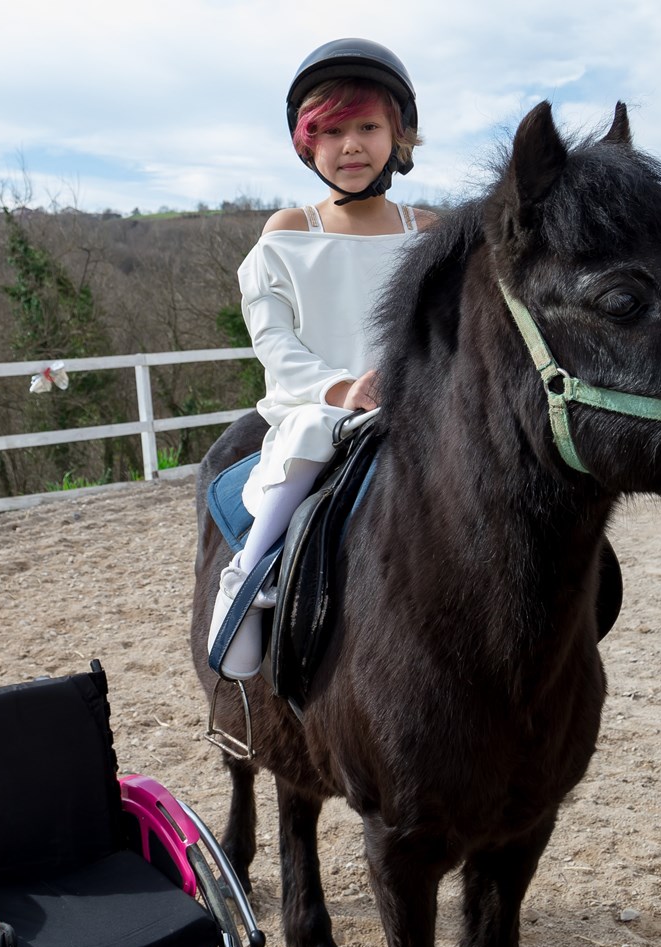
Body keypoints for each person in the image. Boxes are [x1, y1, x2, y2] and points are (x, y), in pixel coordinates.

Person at [208, 38, 436, 679]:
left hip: (417, 404)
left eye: (368, 126)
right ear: (308, 143)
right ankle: (252, 574)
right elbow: (274, 341)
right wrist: (340, 389)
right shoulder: (288, 232)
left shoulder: (431, 235)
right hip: (320, 405)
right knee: (311, 431)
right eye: (331, 130)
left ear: (399, 134)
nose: (351, 145)